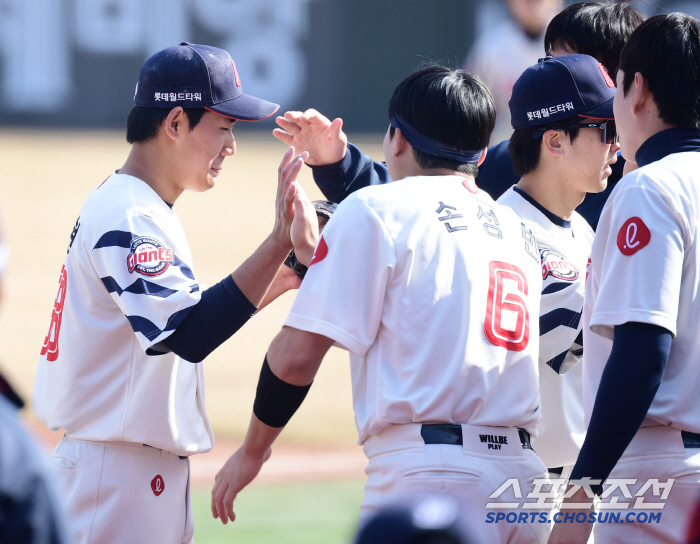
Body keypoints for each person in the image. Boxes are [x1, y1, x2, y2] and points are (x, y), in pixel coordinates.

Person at [211, 65, 550, 544]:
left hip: (433, 478)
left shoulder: (373, 209)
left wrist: (252, 452)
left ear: (396, 140)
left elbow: (294, 357)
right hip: (525, 482)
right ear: (479, 152)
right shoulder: (518, 228)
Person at [31, 42, 317, 544]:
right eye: (224, 128)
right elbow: (188, 334)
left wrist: (290, 268)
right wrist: (276, 243)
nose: (231, 146)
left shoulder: (136, 204)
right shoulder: (129, 216)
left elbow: (188, 317)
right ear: (175, 123)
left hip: (128, 472)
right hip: (114, 478)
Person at [278, 1, 644, 229]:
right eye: (545, 60)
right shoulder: (523, 163)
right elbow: (425, 188)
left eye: (562, 66)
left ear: (617, 80)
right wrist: (339, 161)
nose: (543, 74)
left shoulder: (655, 190)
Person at [548, 13, 700, 544]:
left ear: (637, 90)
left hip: (663, 475)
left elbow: (643, 352)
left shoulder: (650, 188)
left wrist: (582, 490)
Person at [501, 54, 619, 479]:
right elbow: (566, 346)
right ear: (554, 141)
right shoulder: (507, 230)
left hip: (575, 478)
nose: (617, 143)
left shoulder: (581, 228)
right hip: (532, 482)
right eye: (606, 129)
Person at [464, 0, 563, 143]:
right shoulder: (491, 47)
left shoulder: (572, 41)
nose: (532, 4)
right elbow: (470, 105)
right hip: (510, 146)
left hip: (561, 143)